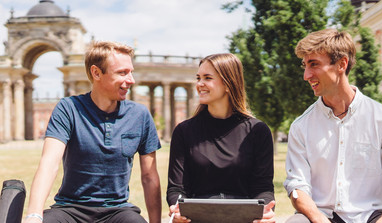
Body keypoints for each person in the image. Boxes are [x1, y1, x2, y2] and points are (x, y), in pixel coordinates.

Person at [284, 29, 382, 223]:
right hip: (322, 216)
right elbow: (297, 186)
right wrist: (318, 219)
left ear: (341, 64)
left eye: (314, 65)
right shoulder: (301, 127)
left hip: (373, 216)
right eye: (305, 66)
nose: (306, 75)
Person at [24, 41, 162, 223]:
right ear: (96, 73)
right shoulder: (68, 108)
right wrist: (34, 215)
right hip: (70, 208)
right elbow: (49, 163)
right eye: (122, 72)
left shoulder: (140, 115)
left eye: (131, 72)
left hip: (118, 210)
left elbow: (149, 176)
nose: (131, 80)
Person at [166, 53, 276, 223]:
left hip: (243, 218)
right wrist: (176, 207)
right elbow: (176, 188)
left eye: (207, 78)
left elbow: (263, 187)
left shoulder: (257, 131)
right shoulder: (184, 131)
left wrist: (266, 211)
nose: (199, 84)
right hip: (197, 218)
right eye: (198, 78)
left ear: (228, 83)